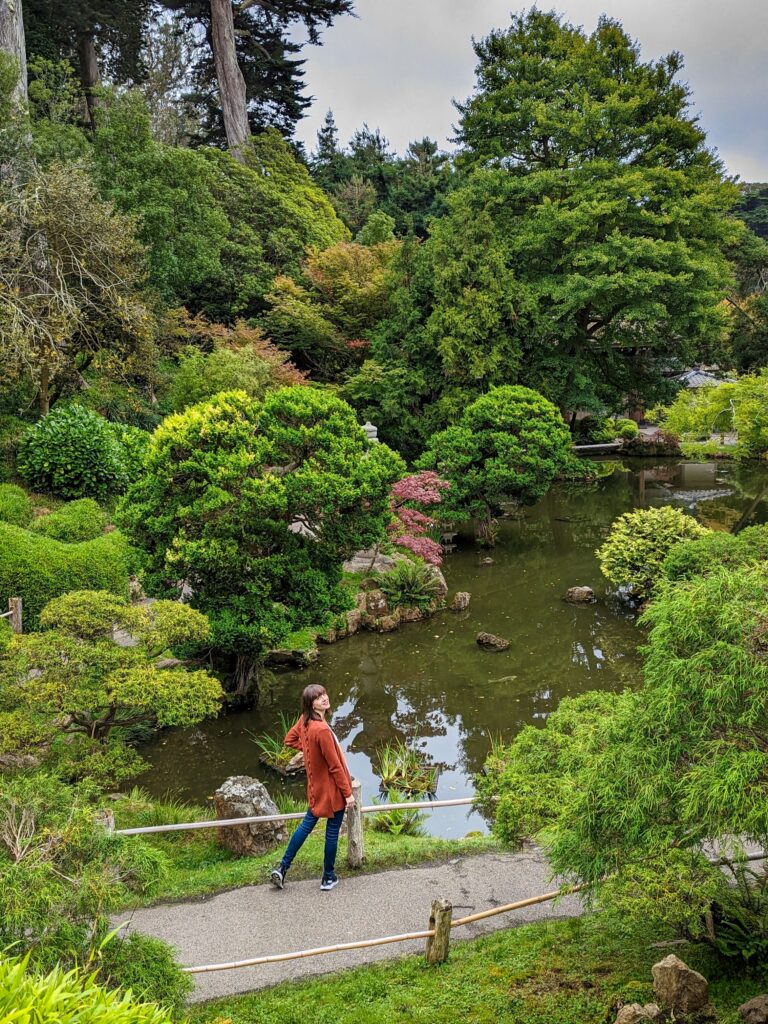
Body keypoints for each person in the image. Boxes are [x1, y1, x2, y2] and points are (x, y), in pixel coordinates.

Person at [270, 683, 355, 891]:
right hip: (332, 790)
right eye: (318, 698)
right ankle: (328, 877)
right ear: (311, 704)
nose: (324, 699)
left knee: (305, 826)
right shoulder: (322, 729)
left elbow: (289, 739)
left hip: (315, 788)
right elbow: (335, 767)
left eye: (324, 694)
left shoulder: (305, 721)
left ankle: (282, 868)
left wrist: (310, 751)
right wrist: (348, 794)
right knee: (332, 833)